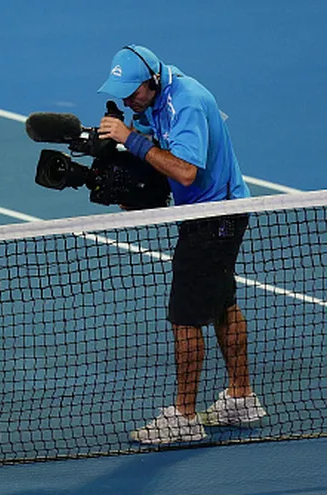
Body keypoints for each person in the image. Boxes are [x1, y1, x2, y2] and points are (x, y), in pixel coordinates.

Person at [97, 44, 267, 445]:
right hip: (211, 213)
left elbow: (187, 172)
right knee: (223, 304)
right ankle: (241, 396)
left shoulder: (186, 102)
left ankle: (183, 416)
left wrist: (131, 139)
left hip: (213, 217)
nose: (128, 100)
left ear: (153, 81)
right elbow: (167, 162)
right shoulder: (158, 100)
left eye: (134, 91)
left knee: (185, 318)